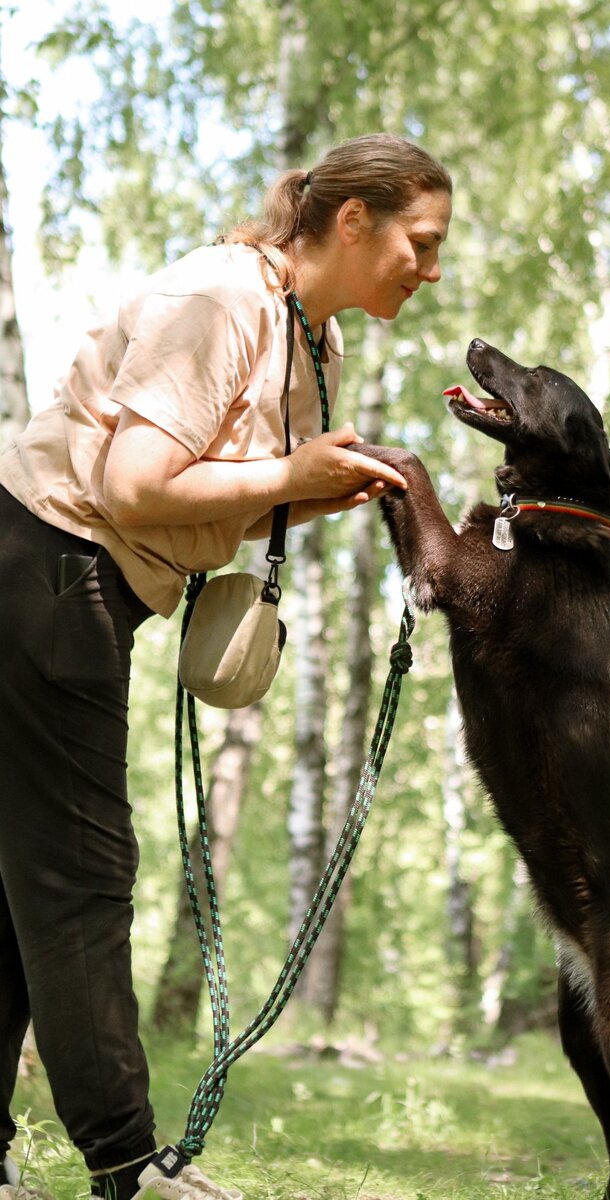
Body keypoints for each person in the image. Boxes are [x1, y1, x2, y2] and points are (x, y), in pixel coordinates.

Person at [0, 132, 452, 1200]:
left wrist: (300, 493)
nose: (430, 271)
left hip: (73, 581)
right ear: (354, 221)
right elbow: (132, 482)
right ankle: (125, 1160)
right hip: (45, 567)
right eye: (420, 244)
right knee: (81, 874)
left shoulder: (313, 340)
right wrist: (284, 474)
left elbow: (210, 487)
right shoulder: (224, 299)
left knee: (22, 883)